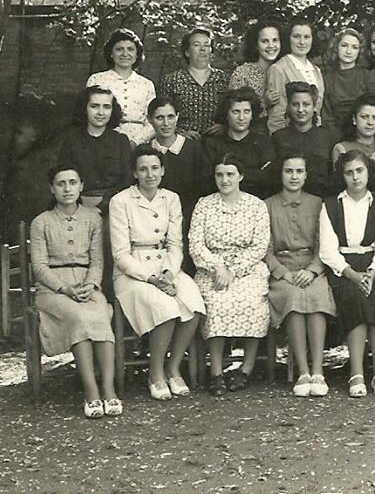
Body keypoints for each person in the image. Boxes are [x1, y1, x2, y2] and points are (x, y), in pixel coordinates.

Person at [109, 145, 206, 400]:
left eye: (154, 168)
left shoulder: (171, 199)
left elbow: (175, 244)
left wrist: (169, 273)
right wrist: (151, 278)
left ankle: (173, 368)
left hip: (166, 266)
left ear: (163, 170)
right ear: (134, 173)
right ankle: (155, 373)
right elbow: (120, 255)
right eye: (143, 169)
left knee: (194, 303)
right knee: (165, 307)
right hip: (133, 272)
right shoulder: (121, 201)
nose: (149, 174)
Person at [30, 164, 119, 418]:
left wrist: (90, 285)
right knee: (78, 316)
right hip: (52, 290)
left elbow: (97, 261)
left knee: (101, 314)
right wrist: (65, 288)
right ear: (52, 188)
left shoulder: (93, 219)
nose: (67, 189)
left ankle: (109, 389)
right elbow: (39, 266)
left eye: (72, 183)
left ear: (81, 186)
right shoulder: (41, 222)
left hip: (86, 285)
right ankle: (91, 393)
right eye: (61, 184)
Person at [188, 153, 272, 396]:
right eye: (220, 175)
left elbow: (260, 245)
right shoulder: (204, 205)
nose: (224, 180)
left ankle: (246, 368)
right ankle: (216, 372)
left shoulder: (256, 205)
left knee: (253, 300)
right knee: (216, 302)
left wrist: (234, 270)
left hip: (247, 268)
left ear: (241, 176)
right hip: (212, 268)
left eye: (230, 174)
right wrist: (218, 267)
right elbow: (196, 244)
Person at [318, 150, 375, 398]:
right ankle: (357, 372)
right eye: (349, 172)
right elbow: (327, 251)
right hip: (343, 266)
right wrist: (352, 275)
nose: (355, 177)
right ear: (342, 176)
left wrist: (371, 273)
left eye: (359, 171)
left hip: (374, 265)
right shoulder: (331, 205)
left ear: (369, 172)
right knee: (354, 297)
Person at [265, 152, 336, 397]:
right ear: (281, 174)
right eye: (288, 171)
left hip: (312, 267)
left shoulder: (318, 204)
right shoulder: (267, 205)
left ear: (306, 175)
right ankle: (303, 372)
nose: (294, 176)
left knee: (316, 296)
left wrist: (313, 270)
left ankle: (318, 371)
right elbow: (265, 248)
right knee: (293, 297)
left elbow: (324, 244)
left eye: (299, 171)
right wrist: (282, 273)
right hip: (282, 269)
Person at [147, 97, 212, 271]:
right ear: (150, 120)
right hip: (157, 216)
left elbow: (205, 186)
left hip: (189, 215)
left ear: (177, 117)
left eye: (171, 117)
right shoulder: (147, 152)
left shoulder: (193, 148)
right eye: (159, 118)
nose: (166, 123)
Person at [58, 86, 132, 212]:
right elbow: (64, 177)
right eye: (94, 106)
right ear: (84, 108)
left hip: (115, 207)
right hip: (77, 207)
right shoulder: (71, 141)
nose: (101, 113)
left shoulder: (121, 141)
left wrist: (101, 208)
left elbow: (127, 181)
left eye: (107, 107)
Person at [87, 28, 157, 146]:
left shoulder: (146, 84)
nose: (125, 54)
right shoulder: (97, 80)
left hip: (140, 144)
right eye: (119, 49)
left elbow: (154, 120)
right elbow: (89, 114)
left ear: (137, 54)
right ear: (111, 53)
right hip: (105, 141)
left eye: (130, 49)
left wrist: (136, 142)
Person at [203, 87, 275, 199]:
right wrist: (254, 173)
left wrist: (229, 174)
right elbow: (208, 181)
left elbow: (268, 178)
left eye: (246, 111)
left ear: (252, 114)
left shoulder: (264, 142)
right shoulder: (212, 144)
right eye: (236, 112)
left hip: (257, 202)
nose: (241, 118)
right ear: (226, 115)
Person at [271, 81, 337, 198]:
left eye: (306, 104)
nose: (301, 110)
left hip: (321, 200)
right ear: (288, 106)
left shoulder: (328, 138)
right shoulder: (278, 138)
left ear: (314, 106)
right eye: (295, 104)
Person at [160, 28, 229, 139]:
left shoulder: (223, 79)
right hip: (182, 142)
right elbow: (161, 114)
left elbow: (233, 110)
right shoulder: (172, 80)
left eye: (207, 45)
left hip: (216, 142)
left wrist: (224, 127)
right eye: (196, 45)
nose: (202, 49)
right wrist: (180, 133)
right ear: (187, 52)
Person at [267, 17, 325, 133]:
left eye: (306, 37)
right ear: (288, 38)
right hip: (289, 135)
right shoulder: (279, 69)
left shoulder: (316, 70)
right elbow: (277, 114)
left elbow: (317, 112)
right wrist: (279, 139)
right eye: (296, 36)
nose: (302, 42)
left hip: (314, 135)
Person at [331, 94, 375, 196]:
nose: (370, 122)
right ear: (354, 119)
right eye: (364, 117)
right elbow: (342, 185)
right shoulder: (342, 148)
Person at [321, 28, 375, 132]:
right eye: (344, 45)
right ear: (336, 48)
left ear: (359, 51)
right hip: (336, 133)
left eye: (354, 47)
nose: (348, 51)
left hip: (365, 132)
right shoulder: (328, 79)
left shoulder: (368, 77)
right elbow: (327, 117)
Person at [229, 20, 283, 130]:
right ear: (256, 45)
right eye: (265, 41)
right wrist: (264, 103)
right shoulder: (243, 73)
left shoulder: (285, 70)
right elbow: (233, 111)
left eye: (275, 40)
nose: (271, 45)